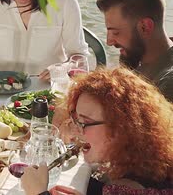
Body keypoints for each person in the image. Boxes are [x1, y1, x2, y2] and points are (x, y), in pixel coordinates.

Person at [21, 67, 173, 195]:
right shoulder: (147, 163)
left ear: (120, 128)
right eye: (76, 120)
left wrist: (39, 192)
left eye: (85, 123)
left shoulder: (128, 189)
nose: (76, 131)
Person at [96, 0, 173, 102]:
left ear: (145, 27)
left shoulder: (167, 86)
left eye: (116, 32)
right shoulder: (139, 59)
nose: (109, 41)